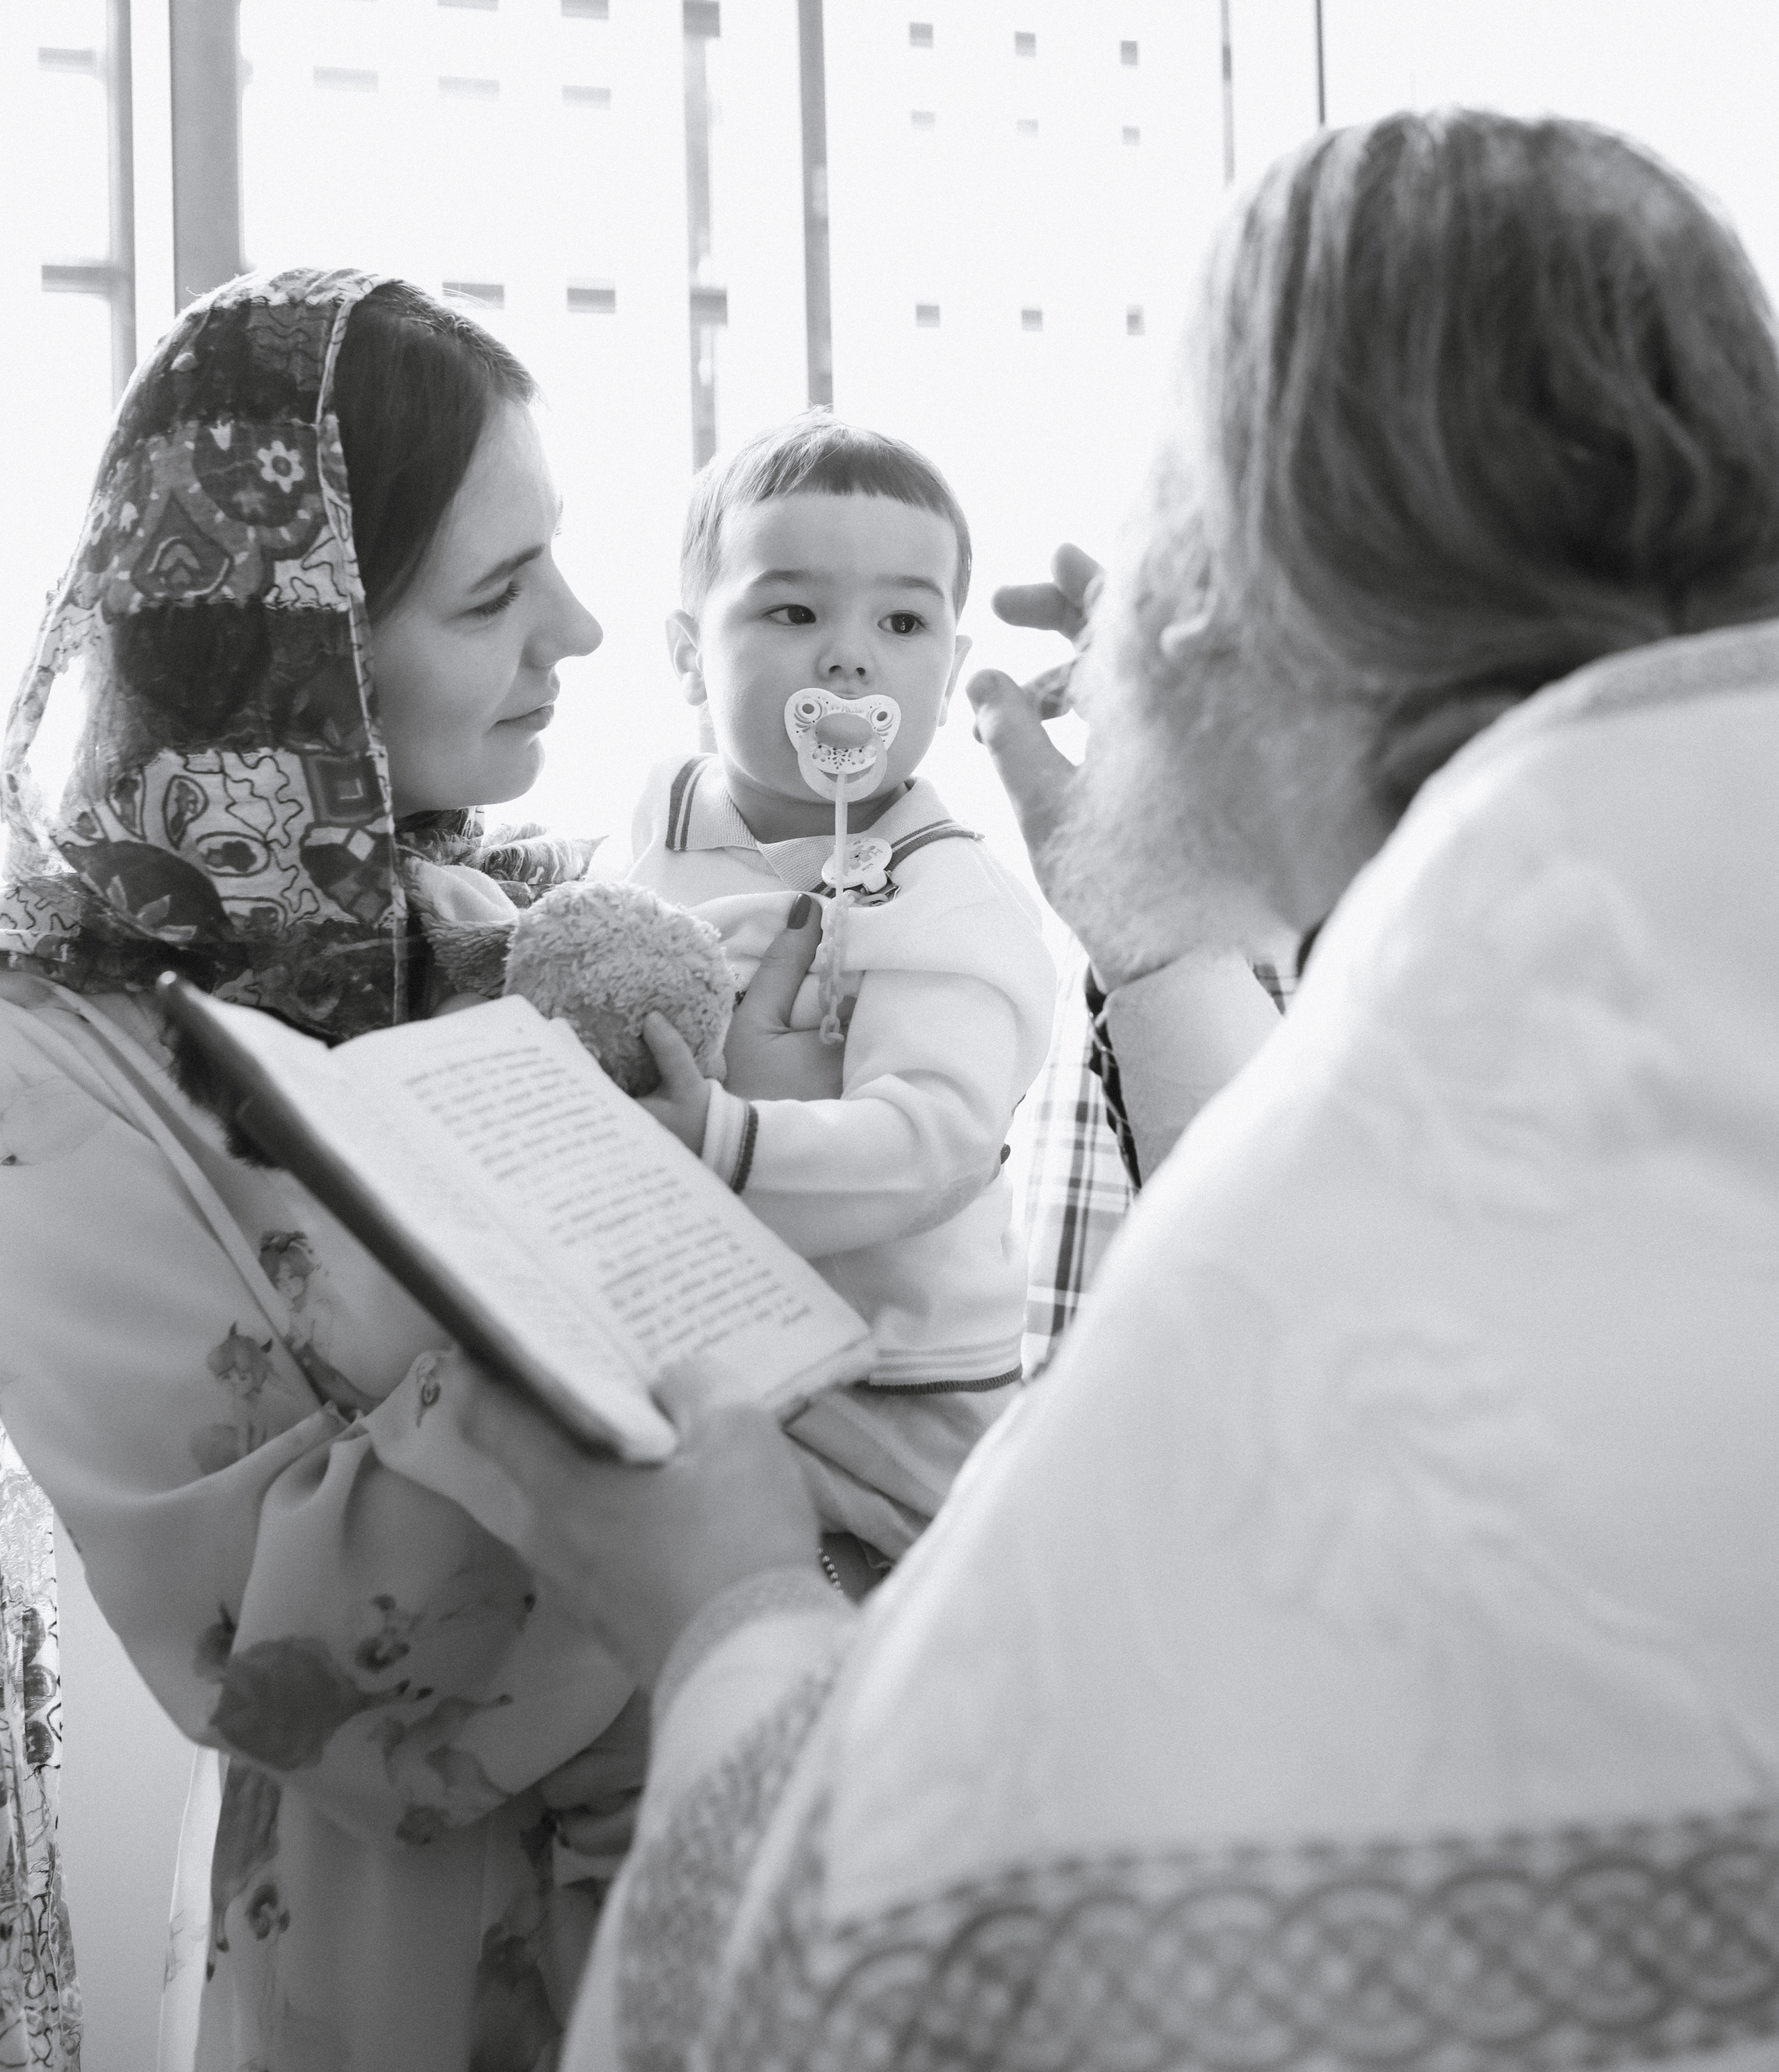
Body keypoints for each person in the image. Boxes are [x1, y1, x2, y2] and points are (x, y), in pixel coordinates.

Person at [429, 110, 1779, 2071]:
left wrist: (721, 1610)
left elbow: (858, 1956)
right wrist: (1153, 921)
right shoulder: (1601, 955)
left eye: (1169, 503)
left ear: (1260, 575)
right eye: (792, 609)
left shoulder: (1330, 1231)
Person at [0, 268, 809, 2072]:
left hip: (760, 1848)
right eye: (495, 595)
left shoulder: (491, 925)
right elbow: (282, 1643)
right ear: (303, 652)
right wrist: (645, 1250)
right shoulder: (53, 1061)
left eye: (559, 564)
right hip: (424, 1970)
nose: (585, 634)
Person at [621, 417, 1056, 1567]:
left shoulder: (940, 891)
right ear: (686, 658)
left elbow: (936, 1140)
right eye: (794, 612)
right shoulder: (654, 824)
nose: (850, 658)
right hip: (703, 1356)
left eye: (903, 622)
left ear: (950, 669)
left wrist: (726, 1137)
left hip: (896, 1386)